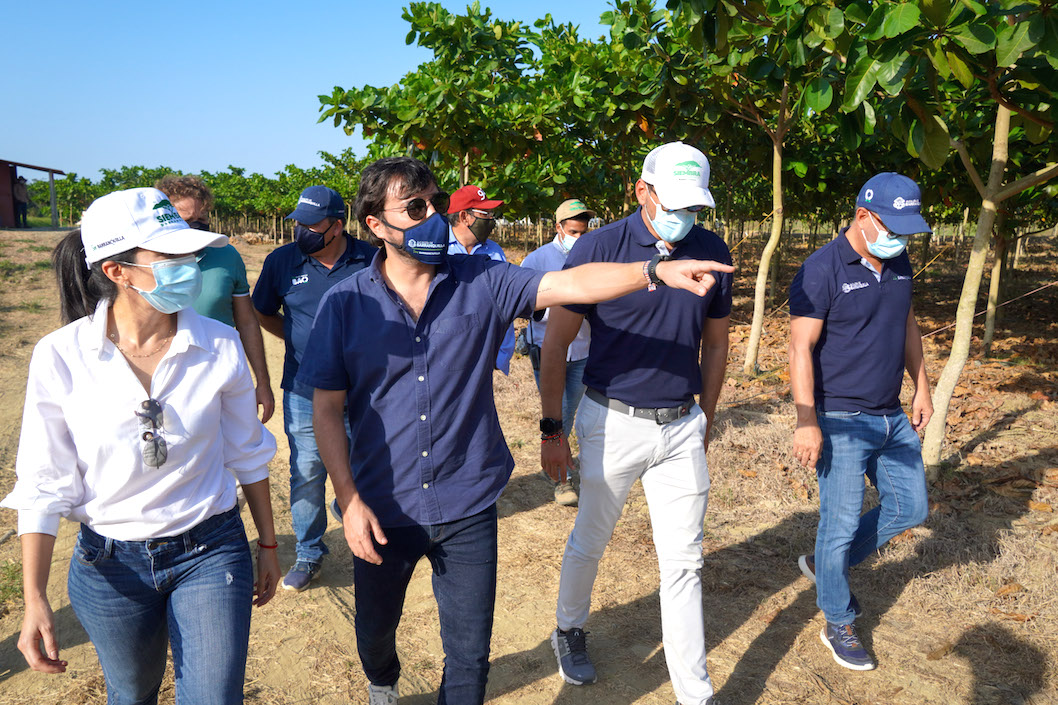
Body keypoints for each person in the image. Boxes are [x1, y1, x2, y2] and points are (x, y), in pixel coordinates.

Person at [298, 156, 733, 705]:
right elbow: (326, 409)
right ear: (375, 224)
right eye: (414, 207)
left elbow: (570, 281)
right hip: (386, 504)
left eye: (435, 200)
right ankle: (382, 678)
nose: (433, 214)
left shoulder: (484, 281)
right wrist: (349, 498)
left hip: (469, 500)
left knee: (469, 657)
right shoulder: (345, 303)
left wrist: (651, 271)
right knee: (374, 632)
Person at [1, 187, 280, 704]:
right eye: (169, 256)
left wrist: (266, 543)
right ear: (117, 271)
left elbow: (246, 450)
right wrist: (34, 598)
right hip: (110, 566)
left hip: (210, 549)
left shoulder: (219, 344)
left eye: (189, 253)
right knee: (131, 694)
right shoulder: (61, 356)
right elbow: (44, 482)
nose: (189, 266)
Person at [539, 142, 732, 705]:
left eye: (695, 208)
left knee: (684, 561)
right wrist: (554, 428)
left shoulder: (711, 249)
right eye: (675, 204)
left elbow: (716, 342)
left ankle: (694, 692)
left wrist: (706, 414)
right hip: (612, 421)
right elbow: (556, 343)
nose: (685, 218)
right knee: (590, 540)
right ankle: (569, 629)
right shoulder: (600, 248)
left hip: (680, 427)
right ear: (642, 191)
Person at [789, 172, 933, 671]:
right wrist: (807, 420)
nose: (901, 239)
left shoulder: (898, 259)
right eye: (892, 226)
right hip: (841, 418)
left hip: (891, 414)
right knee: (840, 522)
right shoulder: (820, 269)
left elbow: (906, 321)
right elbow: (800, 346)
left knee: (910, 508)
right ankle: (838, 619)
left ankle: (829, 566)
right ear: (863, 216)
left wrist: (923, 385)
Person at [252, 185, 376, 592]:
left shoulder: (372, 260)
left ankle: (361, 529)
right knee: (306, 471)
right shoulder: (281, 262)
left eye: (311, 224)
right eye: (297, 222)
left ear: (338, 226)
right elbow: (264, 312)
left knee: (364, 467)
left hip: (364, 391)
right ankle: (309, 552)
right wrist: (298, 339)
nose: (300, 230)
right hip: (304, 389)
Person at [155, 174, 274, 422]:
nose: (197, 225)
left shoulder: (226, 255)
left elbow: (247, 322)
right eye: (188, 220)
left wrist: (262, 382)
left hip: (219, 376)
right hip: (164, 383)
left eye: (202, 219)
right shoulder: (148, 264)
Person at [521, 198, 596, 507]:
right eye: (574, 231)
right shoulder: (537, 260)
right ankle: (561, 481)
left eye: (584, 231)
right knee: (560, 412)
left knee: (571, 410)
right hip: (547, 349)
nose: (580, 237)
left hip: (582, 350)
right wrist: (564, 309)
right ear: (559, 228)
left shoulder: (593, 255)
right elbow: (525, 304)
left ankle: (555, 459)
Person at [446, 184, 516, 374]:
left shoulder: (494, 252)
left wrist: (501, 355)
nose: (492, 220)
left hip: (485, 358)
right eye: (486, 214)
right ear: (464, 217)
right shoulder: (439, 250)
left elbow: (504, 305)